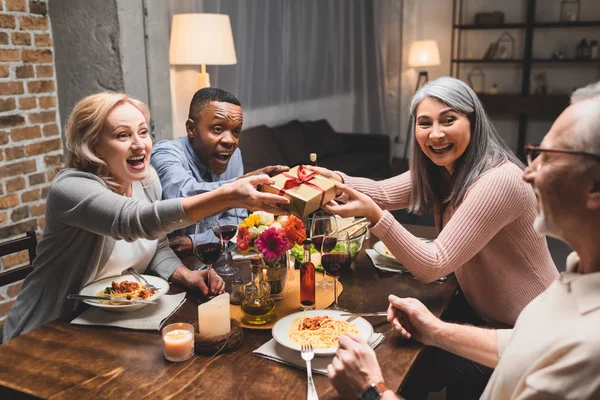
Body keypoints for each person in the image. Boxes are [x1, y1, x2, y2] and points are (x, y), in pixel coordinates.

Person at [327, 81, 600, 399]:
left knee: (399, 369)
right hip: (487, 318)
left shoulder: (499, 180)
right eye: (424, 123)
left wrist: (371, 390)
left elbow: (433, 264)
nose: (435, 133)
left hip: (508, 322)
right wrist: (327, 179)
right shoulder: (443, 170)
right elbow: (382, 192)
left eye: (449, 119)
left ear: (474, 122)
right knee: (402, 358)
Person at [2, 92, 289, 342]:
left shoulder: (146, 180)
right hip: (47, 332)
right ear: (93, 145)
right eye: (123, 135)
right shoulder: (71, 188)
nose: (140, 144)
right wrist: (228, 194)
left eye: (143, 132)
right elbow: (136, 221)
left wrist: (186, 275)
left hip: (107, 327)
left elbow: (157, 245)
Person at [151, 87, 288, 255]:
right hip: (173, 264)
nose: (230, 141)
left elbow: (236, 220)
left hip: (217, 258)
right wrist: (239, 185)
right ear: (191, 129)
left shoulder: (234, 155)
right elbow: (181, 198)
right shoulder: (165, 153)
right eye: (217, 129)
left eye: (236, 131)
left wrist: (196, 242)